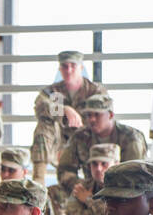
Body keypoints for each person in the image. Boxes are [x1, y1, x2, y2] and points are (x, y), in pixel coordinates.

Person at [31, 49, 105, 183]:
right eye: (64, 66)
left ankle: (95, 185)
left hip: (85, 141)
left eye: (73, 65)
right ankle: (38, 181)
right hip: (58, 142)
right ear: (60, 69)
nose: (68, 70)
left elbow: (103, 116)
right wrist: (64, 109)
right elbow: (40, 106)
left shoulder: (95, 91)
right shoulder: (53, 91)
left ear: (81, 68)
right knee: (44, 126)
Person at [55, 93, 147, 192]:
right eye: (89, 115)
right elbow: (64, 170)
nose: (92, 119)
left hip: (122, 193)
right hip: (88, 191)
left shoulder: (131, 138)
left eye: (97, 114)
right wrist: (83, 187)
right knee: (54, 192)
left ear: (110, 115)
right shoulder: (80, 137)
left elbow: (137, 176)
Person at [62, 143, 119, 215]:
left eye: (104, 164)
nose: (98, 168)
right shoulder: (82, 187)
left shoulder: (123, 187)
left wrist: (88, 200)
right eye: (94, 164)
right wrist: (102, 214)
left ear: (116, 164)